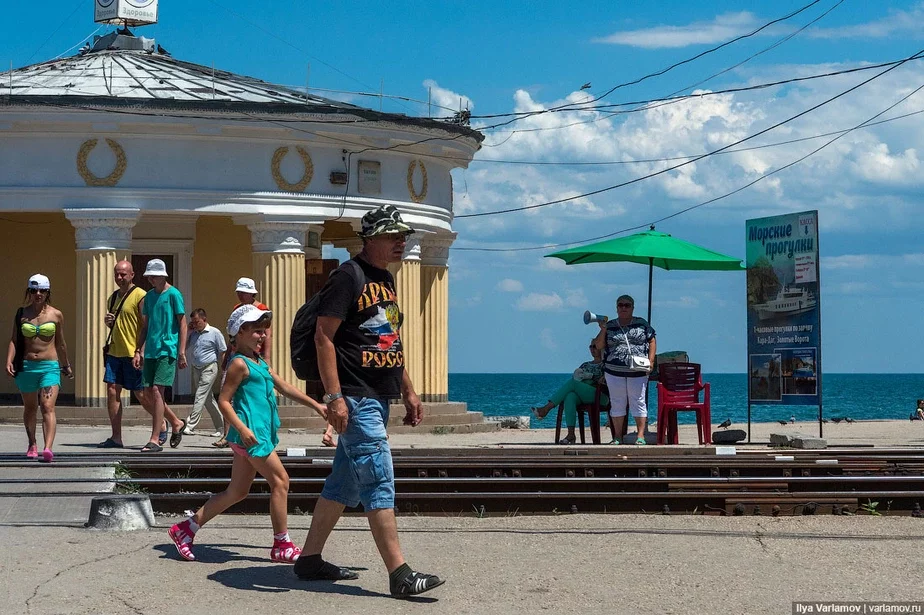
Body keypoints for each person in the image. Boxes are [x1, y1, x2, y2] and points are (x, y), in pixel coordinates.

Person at [295, 204, 444, 598]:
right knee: (379, 479)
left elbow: (389, 339)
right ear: (370, 239)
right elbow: (324, 337)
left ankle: (309, 559)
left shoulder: (385, 278)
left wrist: (408, 389)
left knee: (343, 484)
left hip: (379, 395)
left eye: (403, 236)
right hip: (356, 397)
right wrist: (334, 397)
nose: (402, 242)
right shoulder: (348, 276)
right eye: (394, 236)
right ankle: (400, 573)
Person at [168, 305, 328, 562]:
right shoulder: (239, 364)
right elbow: (224, 401)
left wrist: (317, 405)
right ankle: (281, 544)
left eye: (263, 331)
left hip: (254, 435)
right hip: (251, 435)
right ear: (239, 333)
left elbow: (285, 387)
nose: (262, 336)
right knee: (281, 481)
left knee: (237, 492)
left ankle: (185, 529)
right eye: (256, 331)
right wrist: (242, 429)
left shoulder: (258, 362)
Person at [5, 274, 73, 462]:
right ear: (29, 292)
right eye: (34, 290)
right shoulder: (22, 313)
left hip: (49, 366)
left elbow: (61, 343)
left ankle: (47, 447)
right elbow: (14, 339)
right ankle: (32, 443)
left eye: (42, 290)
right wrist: (9, 360)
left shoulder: (55, 314)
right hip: (27, 366)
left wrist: (65, 364)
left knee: (47, 406)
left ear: (47, 292)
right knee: (30, 407)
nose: (38, 294)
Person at [133, 259, 188, 452]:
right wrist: (138, 350)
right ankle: (176, 422)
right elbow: (146, 327)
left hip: (168, 349)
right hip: (151, 350)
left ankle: (155, 438)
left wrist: (181, 351)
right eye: (149, 276)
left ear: (163, 276)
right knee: (147, 392)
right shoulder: (149, 297)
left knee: (157, 391)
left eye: (154, 276)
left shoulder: (173, 294)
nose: (150, 279)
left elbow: (182, 323)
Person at [593, 294, 656, 445]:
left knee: (638, 401)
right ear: (616, 308)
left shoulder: (641, 323)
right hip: (614, 370)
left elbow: (652, 338)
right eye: (620, 305)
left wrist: (651, 360)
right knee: (617, 402)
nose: (623, 308)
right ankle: (618, 436)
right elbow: (599, 345)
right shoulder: (611, 325)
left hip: (638, 370)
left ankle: (640, 435)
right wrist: (603, 329)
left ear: (632, 308)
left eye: (627, 305)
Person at [99, 260, 146, 449]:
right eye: (117, 274)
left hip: (132, 351)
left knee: (141, 394)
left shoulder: (140, 295)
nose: (119, 278)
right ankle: (116, 436)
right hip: (115, 351)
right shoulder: (112, 298)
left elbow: (145, 326)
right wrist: (109, 322)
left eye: (123, 274)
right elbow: (118, 323)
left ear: (132, 275)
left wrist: (139, 351)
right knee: (112, 390)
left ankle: (165, 422)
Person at [531, 340, 609, 444]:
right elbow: (578, 377)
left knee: (572, 384)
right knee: (570, 396)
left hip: (600, 395)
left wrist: (592, 379)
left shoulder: (605, 365)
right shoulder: (585, 365)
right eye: (591, 346)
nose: (592, 349)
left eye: (595, 346)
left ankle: (546, 408)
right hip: (583, 393)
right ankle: (571, 434)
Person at [182, 309, 226, 437]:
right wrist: (189, 331)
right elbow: (183, 347)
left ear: (204, 319)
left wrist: (224, 370)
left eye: (197, 322)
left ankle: (190, 425)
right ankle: (221, 427)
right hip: (196, 368)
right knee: (208, 399)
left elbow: (222, 351)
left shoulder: (214, 332)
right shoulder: (194, 334)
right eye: (193, 322)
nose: (195, 324)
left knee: (200, 395)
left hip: (210, 367)